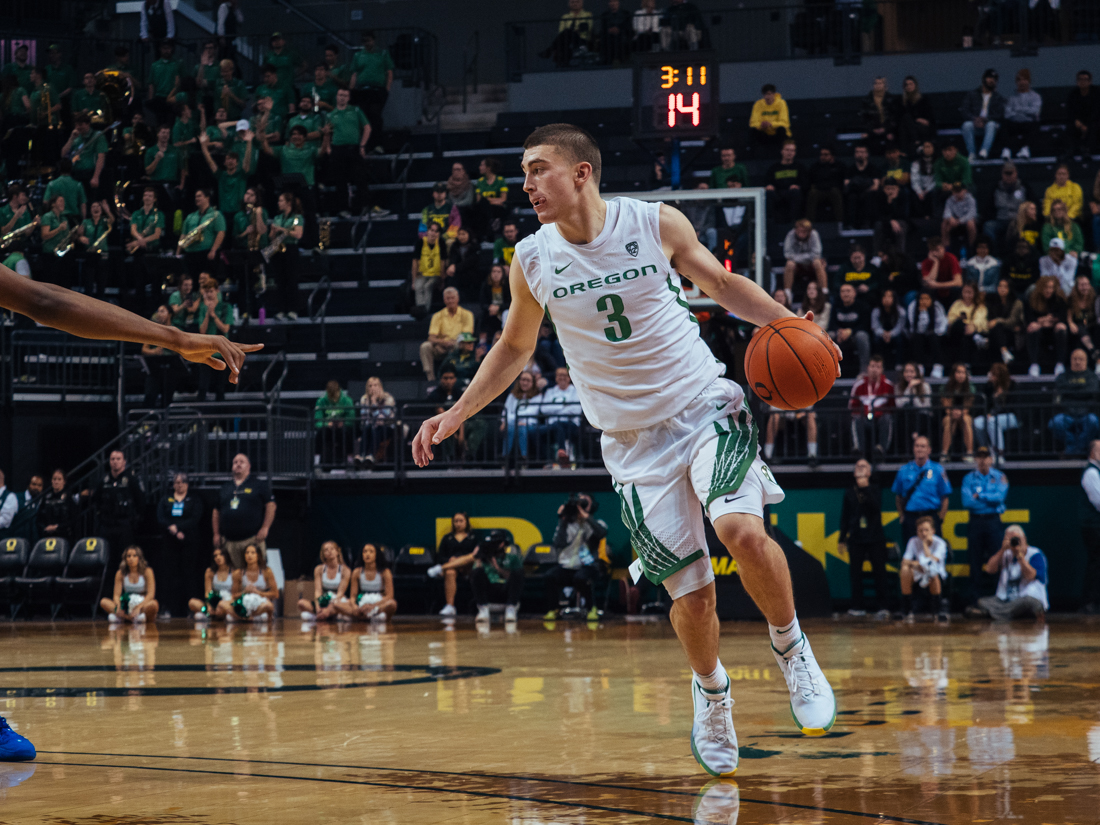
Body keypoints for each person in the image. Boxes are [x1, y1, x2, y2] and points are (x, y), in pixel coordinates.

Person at [413, 122, 841, 777]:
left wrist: (791, 322)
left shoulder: (654, 223)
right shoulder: (531, 258)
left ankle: (792, 648)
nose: (526, 184)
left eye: (538, 169)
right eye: (525, 173)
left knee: (741, 532)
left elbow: (722, 287)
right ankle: (713, 692)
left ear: (581, 172)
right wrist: (457, 411)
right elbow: (514, 348)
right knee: (693, 598)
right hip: (633, 445)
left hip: (703, 405)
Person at [544, 493, 609, 621]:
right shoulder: (566, 524)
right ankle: (554, 609)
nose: (581, 506)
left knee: (581, 577)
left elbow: (601, 533)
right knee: (550, 576)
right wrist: (562, 519)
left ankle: (591, 608)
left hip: (588, 566)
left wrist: (587, 518)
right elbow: (558, 543)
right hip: (567, 566)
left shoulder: (596, 523)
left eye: (585, 503)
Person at [838, 460, 889, 618]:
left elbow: (876, 507)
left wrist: (865, 488)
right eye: (857, 467)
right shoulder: (849, 492)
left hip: (875, 536)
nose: (860, 469)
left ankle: (882, 606)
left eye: (864, 467)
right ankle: (857, 606)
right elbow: (845, 516)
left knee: (880, 572)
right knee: (855, 573)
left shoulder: (875, 488)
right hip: (856, 537)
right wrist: (842, 538)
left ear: (869, 473)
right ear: (854, 473)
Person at [961, 446, 1008, 606]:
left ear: (991, 459)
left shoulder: (1000, 476)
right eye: (979, 456)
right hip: (975, 521)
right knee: (974, 561)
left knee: (997, 558)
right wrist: (989, 498)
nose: (982, 460)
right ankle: (974, 600)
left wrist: (980, 496)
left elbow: (999, 498)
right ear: (975, 459)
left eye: (985, 456)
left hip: (993, 521)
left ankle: (998, 598)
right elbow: (967, 502)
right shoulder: (968, 479)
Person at [212, 453, 276, 569]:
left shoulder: (258, 484)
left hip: (251, 540)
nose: (238, 464)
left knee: (255, 576)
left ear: (249, 466)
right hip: (229, 542)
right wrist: (216, 533)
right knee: (232, 578)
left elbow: (271, 506)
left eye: (241, 462)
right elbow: (216, 511)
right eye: (235, 462)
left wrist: (265, 527)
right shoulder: (225, 487)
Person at [84, 450, 144, 571]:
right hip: (107, 526)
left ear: (124, 462)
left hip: (124, 526)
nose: (115, 462)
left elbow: (141, 502)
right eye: (112, 459)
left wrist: (135, 522)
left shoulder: (131, 480)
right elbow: (96, 500)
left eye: (118, 459)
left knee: (126, 560)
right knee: (108, 560)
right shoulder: (104, 480)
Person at [155, 471, 203, 618]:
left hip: (188, 541)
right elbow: (160, 516)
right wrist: (173, 528)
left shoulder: (193, 500)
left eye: (182, 482)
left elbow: (196, 517)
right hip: (170, 541)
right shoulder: (166, 499)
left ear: (187, 484)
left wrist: (180, 528)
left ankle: (191, 608)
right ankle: (168, 608)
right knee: (169, 574)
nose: (179, 485)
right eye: (176, 482)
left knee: (189, 574)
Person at [974, 525, 1048, 620]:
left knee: (1028, 603)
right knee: (982, 602)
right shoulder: (1006, 554)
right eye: (1010, 539)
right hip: (1006, 600)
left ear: (1024, 539)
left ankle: (991, 614)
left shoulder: (1035, 554)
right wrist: (1002, 550)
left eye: (1017, 539)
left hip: (1028, 597)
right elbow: (989, 569)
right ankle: (1008, 614)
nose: (1014, 542)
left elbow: (1030, 576)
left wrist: (1020, 557)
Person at [893, 435, 951, 545]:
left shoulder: (938, 469)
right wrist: (902, 516)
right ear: (913, 449)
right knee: (911, 553)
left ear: (929, 450)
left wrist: (940, 519)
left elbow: (945, 497)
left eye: (923, 446)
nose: (919, 449)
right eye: (917, 446)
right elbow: (898, 496)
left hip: (930, 516)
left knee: (933, 552)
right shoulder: (904, 470)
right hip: (911, 517)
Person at [427, 512, 478, 618]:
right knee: (450, 572)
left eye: (461, 521)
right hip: (451, 567)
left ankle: (440, 569)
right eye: (456, 521)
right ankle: (450, 606)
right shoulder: (447, 538)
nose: (458, 524)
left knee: (471, 557)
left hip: (468, 567)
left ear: (466, 522)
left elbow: (477, 555)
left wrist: (460, 560)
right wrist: (450, 559)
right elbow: (440, 557)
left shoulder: (473, 538)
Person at [1050, 349, 1100, 455]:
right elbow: (1060, 389)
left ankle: (1074, 450)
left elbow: (1091, 390)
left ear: (1086, 361)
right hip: (1067, 414)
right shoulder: (1063, 376)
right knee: (1055, 423)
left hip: (1086, 413)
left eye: (1081, 359)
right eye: (1075, 359)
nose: (1077, 362)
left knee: (1093, 422)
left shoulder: (1092, 377)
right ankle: (1074, 448)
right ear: (1071, 360)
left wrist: (1071, 391)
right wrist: (1081, 390)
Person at [899, 515, 950, 620]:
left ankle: (938, 610)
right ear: (917, 532)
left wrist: (925, 545)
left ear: (933, 531)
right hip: (919, 572)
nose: (923, 533)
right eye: (920, 530)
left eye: (926, 530)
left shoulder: (940, 543)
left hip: (936, 574)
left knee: (931, 572)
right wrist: (917, 565)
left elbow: (932, 563)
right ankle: (906, 609)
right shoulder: (913, 541)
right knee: (904, 570)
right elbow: (905, 561)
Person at [419, 286, 474, 381]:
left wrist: (452, 342)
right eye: (448, 298)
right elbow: (431, 338)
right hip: (441, 346)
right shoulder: (437, 315)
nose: (450, 301)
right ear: (444, 300)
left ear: (458, 299)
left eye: (453, 298)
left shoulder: (467, 314)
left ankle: (455, 377)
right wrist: (443, 342)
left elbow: (467, 335)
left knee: (458, 345)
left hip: (458, 344)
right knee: (425, 346)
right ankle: (430, 378)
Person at [349, 30, 393, 147]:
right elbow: (354, 73)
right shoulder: (358, 55)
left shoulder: (382, 54)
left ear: (373, 40)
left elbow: (389, 72)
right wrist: (351, 90)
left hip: (378, 90)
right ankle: (364, 144)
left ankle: (377, 143)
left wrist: (387, 89)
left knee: (375, 115)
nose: (366, 43)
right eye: (364, 41)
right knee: (363, 116)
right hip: (362, 90)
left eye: (368, 40)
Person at [266, 191, 305, 320]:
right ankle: (281, 309)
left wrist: (282, 230)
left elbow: (298, 234)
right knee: (280, 281)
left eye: (281, 201)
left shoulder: (297, 218)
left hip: (291, 249)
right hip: (278, 250)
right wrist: (272, 231)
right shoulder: (277, 218)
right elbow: (271, 238)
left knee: (292, 280)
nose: (278, 203)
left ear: (288, 203)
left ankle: (293, 309)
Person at [337, 542, 397, 623]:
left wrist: (373, 606)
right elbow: (353, 596)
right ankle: (366, 616)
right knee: (337, 604)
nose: (367, 554)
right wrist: (355, 607)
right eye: (365, 551)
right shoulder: (357, 572)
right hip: (362, 604)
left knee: (392, 604)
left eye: (371, 551)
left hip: (378, 604)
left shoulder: (385, 572)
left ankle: (365, 616)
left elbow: (389, 595)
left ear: (377, 555)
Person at [100, 545, 160, 624]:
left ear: (139, 558)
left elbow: (151, 594)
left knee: (154, 604)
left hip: (141, 604)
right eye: (129, 556)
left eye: (134, 556)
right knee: (103, 601)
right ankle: (129, 618)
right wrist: (119, 607)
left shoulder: (147, 571)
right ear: (125, 559)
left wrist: (139, 607)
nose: (131, 558)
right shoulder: (120, 573)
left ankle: (123, 618)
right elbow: (116, 595)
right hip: (126, 604)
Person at [849, 355, 894, 457]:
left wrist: (878, 412)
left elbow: (892, 407)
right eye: (872, 366)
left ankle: (881, 449)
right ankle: (859, 450)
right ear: (868, 368)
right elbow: (852, 406)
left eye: (878, 367)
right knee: (856, 418)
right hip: (864, 417)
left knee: (887, 418)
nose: (875, 370)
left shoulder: (889, 386)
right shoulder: (859, 385)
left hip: (880, 418)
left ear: (882, 369)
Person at [982, 163, 1031, 254]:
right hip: (1000, 220)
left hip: (1018, 220)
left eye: (1011, 173)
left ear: (1016, 173)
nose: (1008, 176)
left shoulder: (1024, 187)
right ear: (1002, 174)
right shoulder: (995, 188)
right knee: (988, 226)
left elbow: (1031, 204)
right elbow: (988, 207)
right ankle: (993, 254)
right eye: (1006, 174)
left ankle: (1016, 254)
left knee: (1017, 227)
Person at [1025, 275, 1068, 377]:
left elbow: (1061, 317)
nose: (1048, 290)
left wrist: (1042, 320)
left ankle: (1060, 364)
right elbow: (1030, 318)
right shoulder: (1032, 299)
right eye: (1046, 287)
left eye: (1051, 287)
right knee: (1032, 327)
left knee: (1061, 328)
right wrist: (1043, 321)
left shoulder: (1059, 299)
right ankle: (1034, 364)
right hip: (1039, 330)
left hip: (1053, 330)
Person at [298, 540, 350, 622]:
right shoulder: (319, 569)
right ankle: (323, 614)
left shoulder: (345, 570)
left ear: (337, 552)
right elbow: (318, 591)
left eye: (332, 549)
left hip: (337, 601)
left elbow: (340, 593)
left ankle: (326, 614)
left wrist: (329, 609)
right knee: (301, 603)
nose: (329, 551)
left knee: (340, 605)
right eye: (326, 550)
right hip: (324, 601)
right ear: (323, 554)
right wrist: (318, 607)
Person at [975, 362, 1018, 461]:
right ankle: (987, 450)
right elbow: (984, 404)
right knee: (977, 422)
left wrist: (993, 414)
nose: (992, 376)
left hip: (1011, 416)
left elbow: (1010, 406)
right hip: (992, 416)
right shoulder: (989, 387)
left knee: (992, 421)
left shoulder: (1012, 386)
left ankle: (999, 454)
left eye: (994, 374)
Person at [959, 69, 1005, 161]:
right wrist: (974, 119)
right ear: (984, 79)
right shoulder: (972, 94)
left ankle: (984, 151)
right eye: (989, 78)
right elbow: (964, 110)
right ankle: (972, 153)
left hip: (989, 124)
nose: (991, 81)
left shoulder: (998, 97)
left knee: (991, 125)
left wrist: (986, 119)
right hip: (975, 123)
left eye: (994, 79)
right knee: (966, 125)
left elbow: (1000, 114)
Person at [226, 543, 278, 623]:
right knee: (222, 604)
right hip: (243, 603)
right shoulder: (238, 573)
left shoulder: (267, 571)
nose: (249, 555)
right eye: (247, 553)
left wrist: (258, 592)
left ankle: (246, 617)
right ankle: (247, 617)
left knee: (269, 606)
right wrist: (245, 592)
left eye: (253, 553)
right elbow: (234, 595)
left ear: (258, 555)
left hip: (260, 602)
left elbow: (275, 594)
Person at [782, 219, 827, 301]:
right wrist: (805, 257)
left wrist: (797, 257)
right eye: (799, 231)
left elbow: (817, 253)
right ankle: (787, 293)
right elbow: (787, 254)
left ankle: (824, 292)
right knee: (789, 264)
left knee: (818, 262)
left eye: (804, 231)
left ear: (809, 231)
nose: (801, 234)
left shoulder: (814, 234)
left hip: (811, 265)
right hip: (797, 266)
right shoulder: (790, 234)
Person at [1001, 68, 1041, 159]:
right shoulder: (1011, 97)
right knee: (1003, 124)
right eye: (1019, 80)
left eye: (1024, 79)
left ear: (1029, 81)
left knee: (1035, 124)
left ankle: (1025, 149)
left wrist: (1017, 110)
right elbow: (1007, 114)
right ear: (1016, 82)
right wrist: (1024, 112)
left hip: (1028, 123)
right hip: (1014, 123)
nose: (1022, 82)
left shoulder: (1035, 96)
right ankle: (1006, 150)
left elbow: (1035, 111)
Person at [946, 282, 988, 366]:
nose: (967, 295)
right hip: (956, 332)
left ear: (975, 293)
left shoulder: (980, 306)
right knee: (959, 324)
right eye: (965, 292)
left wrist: (973, 325)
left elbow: (981, 320)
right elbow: (950, 318)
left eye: (970, 293)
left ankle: (966, 366)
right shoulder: (957, 304)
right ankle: (975, 337)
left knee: (966, 339)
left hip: (970, 332)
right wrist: (965, 324)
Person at [189, 547, 234, 621]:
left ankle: (214, 615)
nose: (218, 558)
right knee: (192, 602)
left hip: (228, 602)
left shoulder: (234, 572)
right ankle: (211, 612)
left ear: (226, 556)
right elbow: (207, 592)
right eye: (215, 556)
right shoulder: (210, 571)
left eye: (221, 555)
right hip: (214, 601)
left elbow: (236, 593)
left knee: (223, 606)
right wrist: (209, 605)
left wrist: (226, 603)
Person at [765, 139, 805, 224]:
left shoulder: (799, 167)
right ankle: (770, 222)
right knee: (768, 193)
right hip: (777, 194)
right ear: (782, 151)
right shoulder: (774, 168)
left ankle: (794, 221)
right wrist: (769, 185)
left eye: (792, 150)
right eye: (787, 150)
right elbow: (768, 181)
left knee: (796, 192)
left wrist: (798, 186)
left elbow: (804, 182)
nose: (789, 153)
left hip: (792, 193)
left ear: (795, 153)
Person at [987, 277, 1025, 365]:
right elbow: (990, 320)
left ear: (1010, 288)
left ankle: (1003, 350)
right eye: (1000, 286)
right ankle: (1004, 351)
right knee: (997, 328)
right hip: (997, 333)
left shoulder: (1017, 302)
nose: (1002, 289)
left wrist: (997, 320)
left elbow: (1012, 321)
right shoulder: (993, 301)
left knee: (998, 326)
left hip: (1012, 332)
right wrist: (996, 323)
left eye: (1005, 287)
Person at [1081, 440, 1100, 614]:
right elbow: (1098, 501)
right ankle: (1089, 601)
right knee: (1095, 562)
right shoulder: (1091, 473)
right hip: (1093, 526)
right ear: (1093, 453)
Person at [895, 362, 933, 446]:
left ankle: (915, 433)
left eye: (911, 372)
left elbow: (923, 407)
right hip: (905, 418)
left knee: (914, 411)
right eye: (906, 371)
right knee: (906, 410)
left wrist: (914, 391)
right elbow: (899, 405)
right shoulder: (898, 387)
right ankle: (914, 435)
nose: (909, 374)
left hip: (922, 417)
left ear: (916, 373)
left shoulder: (925, 386)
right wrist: (909, 388)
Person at [858, 77, 898, 156]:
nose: (878, 85)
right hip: (872, 130)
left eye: (880, 83)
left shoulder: (891, 99)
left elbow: (894, 117)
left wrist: (886, 129)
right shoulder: (867, 100)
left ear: (884, 85)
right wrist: (872, 130)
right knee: (865, 140)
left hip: (887, 130)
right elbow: (863, 118)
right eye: (876, 83)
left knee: (891, 139)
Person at [805, 145, 845, 223]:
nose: (823, 157)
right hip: (819, 191)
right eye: (821, 154)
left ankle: (840, 223)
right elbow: (810, 181)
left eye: (826, 154)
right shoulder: (815, 167)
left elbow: (841, 182)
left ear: (832, 156)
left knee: (835, 192)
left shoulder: (840, 166)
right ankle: (809, 223)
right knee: (812, 193)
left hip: (833, 191)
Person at [37, 469, 77, 545]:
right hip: (48, 535)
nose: (56, 482)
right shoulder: (46, 497)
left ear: (64, 482)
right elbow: (39, 517)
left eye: (59, 479)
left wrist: (57, 527)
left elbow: (73, 519)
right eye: (54, 479)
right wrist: (45, 528)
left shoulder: (69, 497)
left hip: (64, 536)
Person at [921, 237, 963, 307]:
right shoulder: (926, 262)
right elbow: (928, 283)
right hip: (936, 294)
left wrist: (937, 285)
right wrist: (936, 262)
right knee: (927, 290)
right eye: (932, 250)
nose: (935, 253)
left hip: (949, 292)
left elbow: (959, 282)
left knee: (956, 289)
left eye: (937, 250)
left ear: (943, 249)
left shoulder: (951, 258)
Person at [1066, 275, 1098, 366]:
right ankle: (1092, 350)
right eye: (1082, 285)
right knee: (1080, 327)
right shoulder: (1071, 299)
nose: (1085, 287)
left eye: (1087, 285)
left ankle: (1095, 353)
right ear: (1077, 287)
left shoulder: (1094, 298)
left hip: (1092, 325)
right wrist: (1071, 324)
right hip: (1078, 327)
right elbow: (1069, 319)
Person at [748, 85, 790, 152]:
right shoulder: (758, 104)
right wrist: (761, 125)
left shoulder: (782, 103)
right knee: (753, 131)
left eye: (769, 94)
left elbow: (784, 123)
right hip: (764, 133)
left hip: (777, 133)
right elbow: (753, 123)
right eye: (766, 94)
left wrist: (771, 124)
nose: (768, 97)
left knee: (781, 129)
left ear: (774, 94)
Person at [899, 75, 936, 150]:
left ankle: (916, 141)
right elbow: (901, 117)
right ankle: (915, 141)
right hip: (909, 125)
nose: (909, 86)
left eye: (911, 84)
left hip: (921, 125)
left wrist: (926, 121)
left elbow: (930, 116)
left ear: (915, 85)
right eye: (906, 84)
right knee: (905, 120)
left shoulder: (923, 99)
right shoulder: (902, 102)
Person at [1066, 69, 1098, 158]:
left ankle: (1087, 150)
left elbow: (1097, 111)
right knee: (1070, 127)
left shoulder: (1097, 93)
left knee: (1094, 127)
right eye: (1080, 79)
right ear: (1077, 82)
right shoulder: (1073, 94)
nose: (1083, 82)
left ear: (1090, 81)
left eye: (1085, 79)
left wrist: (1087, 125)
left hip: (1093, 121)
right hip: (1078, 121)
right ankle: (1071, 150)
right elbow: (1070, 111)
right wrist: (1078, 122)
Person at [871, 288, 905, 368]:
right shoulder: (876, 310)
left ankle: (899, 364)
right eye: (884, 297)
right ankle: (879, 364)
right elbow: (875, 327)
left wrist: (890, 334)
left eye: (889, 297)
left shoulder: (900, 311)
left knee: (900, 339)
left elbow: (900, 327)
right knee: (876, 340)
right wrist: (883, 333)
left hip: (895, 334)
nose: (886, 299)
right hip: (881, 334)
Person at [941, 184, 978, 252]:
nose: (957, 193)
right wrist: (950, 218)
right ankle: (946, 247)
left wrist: (960, 221)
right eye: (955, 191)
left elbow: (972, 213)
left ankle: (972, 247)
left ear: (965, 191)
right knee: (945, 222)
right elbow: (946, 212)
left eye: (959, 191)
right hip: (954, 222)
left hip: (965, 221)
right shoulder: (950, 200)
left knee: (971, 223)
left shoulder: (971, 199)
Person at [909, 140, 937, 219]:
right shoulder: (916, 163)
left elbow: (937, 179)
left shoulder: (937, 162)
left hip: (932, 187)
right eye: (925, 147)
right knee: (914, 195)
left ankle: (931, 216)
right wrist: (919, 191)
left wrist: (928, 189)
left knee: (932, 194)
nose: (927, 149)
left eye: (929, 147)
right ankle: (920, 218)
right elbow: (914, 179)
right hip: (920, 188)